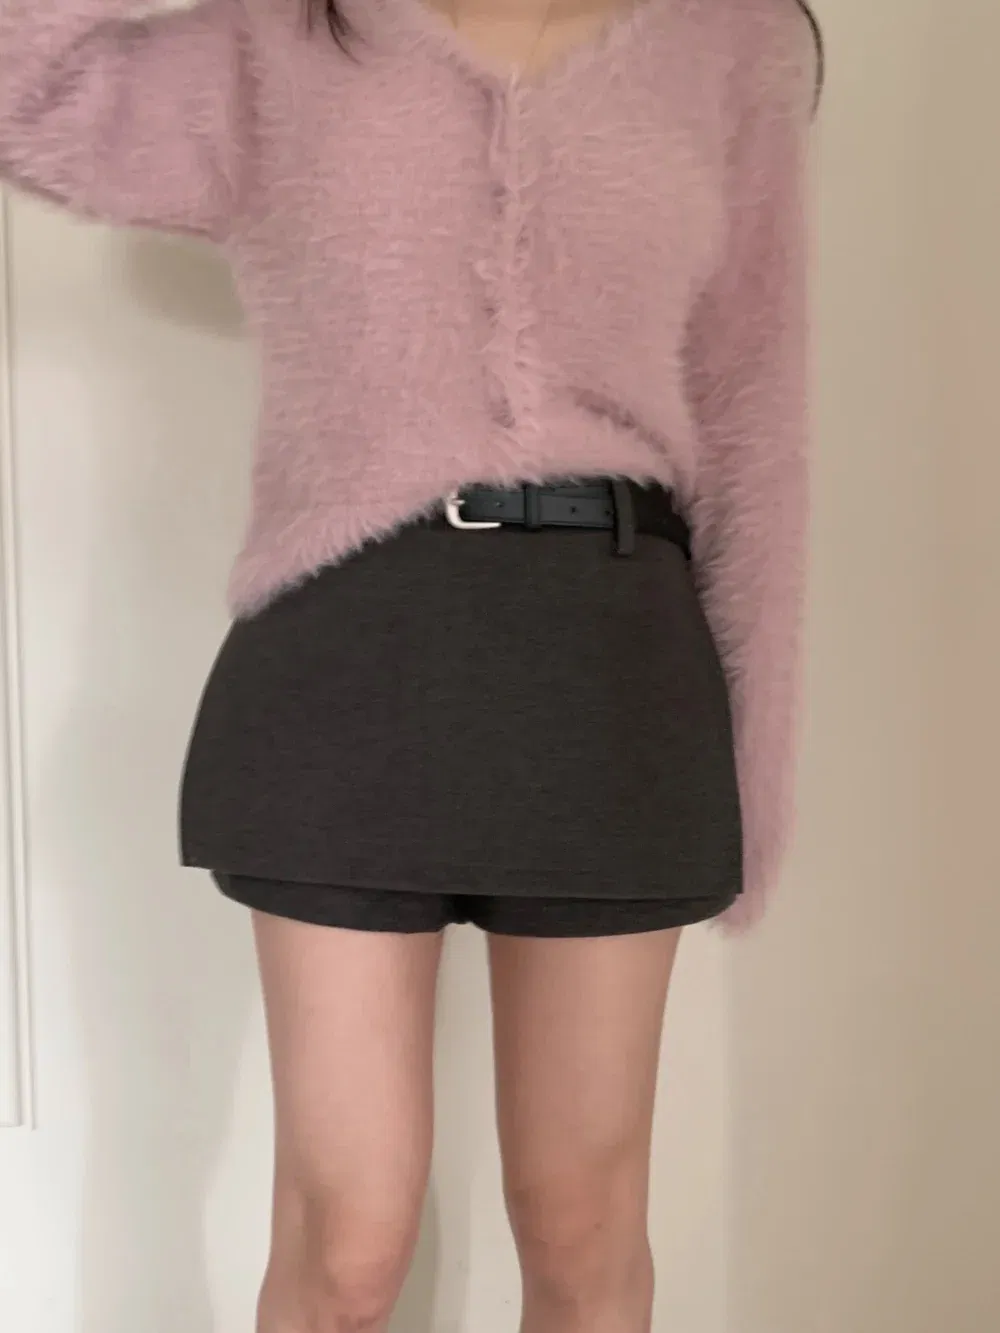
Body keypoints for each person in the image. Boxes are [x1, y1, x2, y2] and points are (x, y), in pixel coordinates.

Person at [0, 0, 819, 1327]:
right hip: (347, 653)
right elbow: (26, 95)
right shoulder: (285, 38)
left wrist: (755, 769)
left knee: (583, 1221)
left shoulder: (731, 40)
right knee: (348, 1239)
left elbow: (754, 408)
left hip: (613, 668)